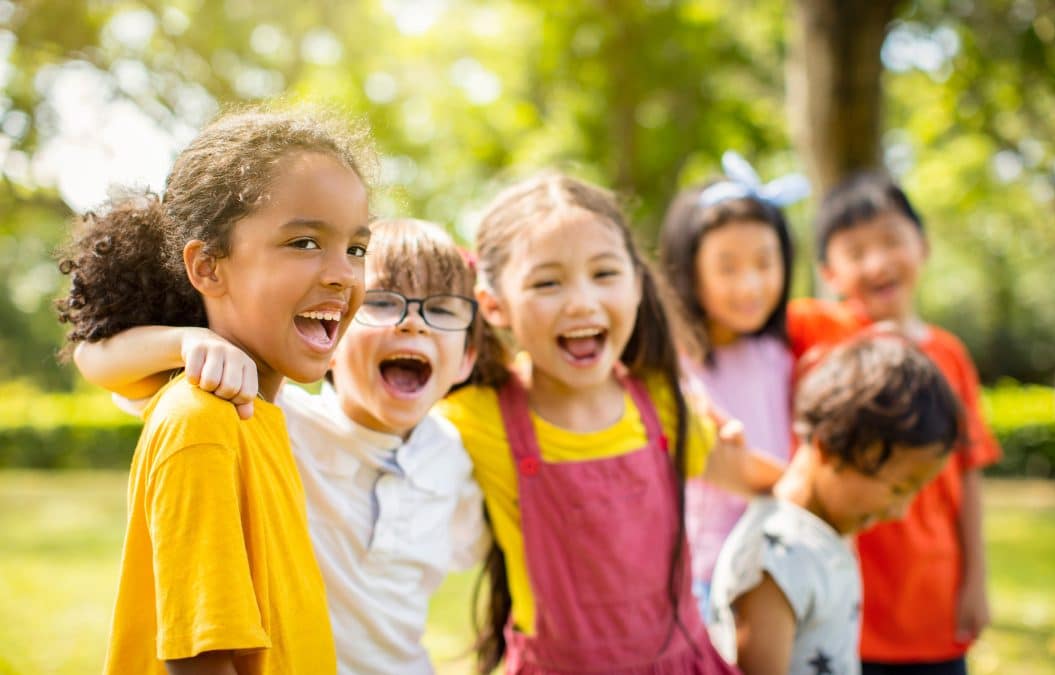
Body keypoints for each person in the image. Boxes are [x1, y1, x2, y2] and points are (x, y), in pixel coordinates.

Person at [73, 218, 490, 675]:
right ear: (329, 334)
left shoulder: (456, 455)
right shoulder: (273, 416)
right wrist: (189, 341)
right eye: (383, 304)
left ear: (466, 358)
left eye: (445, 310)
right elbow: (94, 360)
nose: (414, 324)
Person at [55, 108, 375, 674]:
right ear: (207, 267)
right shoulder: (200, 422)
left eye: (355, 248)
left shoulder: (263, 413)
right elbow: (201, 662)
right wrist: (184, 342)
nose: (344, 274)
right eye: (304, 242)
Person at [437, 172, 762, 674]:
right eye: (547, 282)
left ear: (636, 283)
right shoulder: (475, 419)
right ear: (493, 304)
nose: (582, 302)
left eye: (604, 274)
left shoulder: (663, 401)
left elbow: (746, 476)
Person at [787, 171, 1001, 674]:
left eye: (890, 242)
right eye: (855, 253)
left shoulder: (951, 355)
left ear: (922, 246)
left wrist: (977, 581)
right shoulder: (817, 328)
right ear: (829, 273)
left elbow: (968, 474)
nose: (877, 263)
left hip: (934, 599)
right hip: (843, 606)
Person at [708, 334, 963, 675]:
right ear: (829, 448)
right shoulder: (775, 559)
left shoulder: (823, 531)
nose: (900, 511)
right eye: (898, 488)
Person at [659, 151, 806, 618]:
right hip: (705, 580)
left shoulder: (778, 356)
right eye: (727, 267)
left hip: (780, 568)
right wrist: (819, 500)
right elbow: (729, 467)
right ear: (690, 270)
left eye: (765, 263)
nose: (750, 286)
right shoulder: (673, 366)